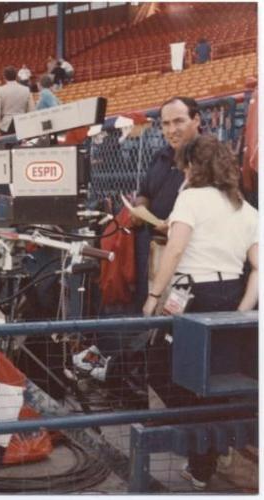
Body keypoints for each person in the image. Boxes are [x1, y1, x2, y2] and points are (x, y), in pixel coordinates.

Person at [142, 134, 258, 490]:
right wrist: (241, 309)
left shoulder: (190, 198)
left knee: (158, 365)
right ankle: (206, 454)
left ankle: (203, 443)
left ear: (192, 166)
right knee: (213, 377)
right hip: (230, 292)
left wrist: (153, 295)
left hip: (192, 291)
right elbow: (259, 267)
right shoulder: (246, 208)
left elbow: (175, 249)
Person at [130, 96, 201, 310]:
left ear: (196, 120)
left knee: (178, 323)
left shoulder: (209, 157)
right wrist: (140, 208)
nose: (172, 130)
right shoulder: (160, 155)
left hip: (191, 257)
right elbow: (145, 192)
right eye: (166, 124)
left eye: (179, 121)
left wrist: (174, 224)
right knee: (158, 315)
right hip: (157, 248)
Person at [0, 66, 34, 135]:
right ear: (16, 76)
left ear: (4, 77)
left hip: (6, 125)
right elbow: (32, 109)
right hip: (23, 123)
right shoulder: (26, 89)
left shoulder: (1, 90)